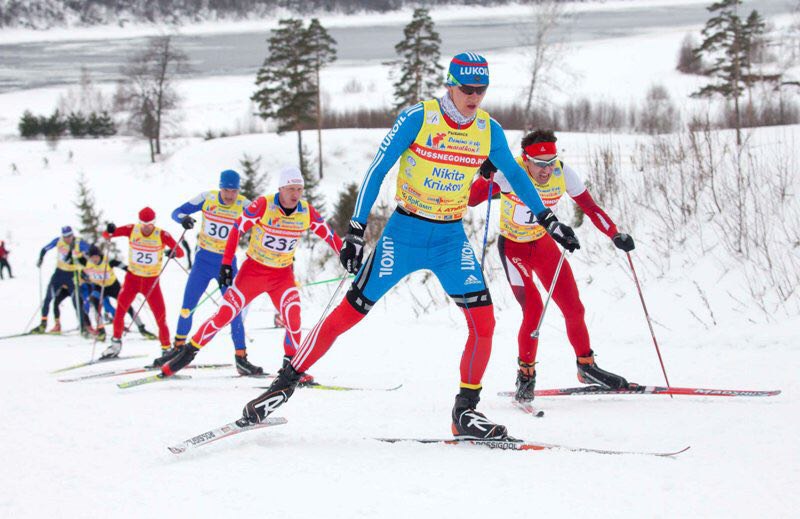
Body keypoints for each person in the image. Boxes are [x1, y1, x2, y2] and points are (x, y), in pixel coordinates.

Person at [237, 53, 579, 440]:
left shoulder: (488, 130)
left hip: (450, 238)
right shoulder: (420, 117)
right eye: (467, 89)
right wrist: (355, 228)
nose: (474, 96)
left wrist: (549, 220)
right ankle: (282, 386)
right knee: (349, 313)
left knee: (484, 321)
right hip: (405, 234)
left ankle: (465, 412)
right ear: (450, 84)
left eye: (481, 89)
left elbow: (516, 176)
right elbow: (378, 167)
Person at [469, 129, 633, 402]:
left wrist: (615, 234)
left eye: (550, 162)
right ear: (525, 159)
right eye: (539, 163)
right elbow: (473, 199)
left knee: (573, 307)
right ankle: (526, 375)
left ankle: (586, 367)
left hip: (543, 246)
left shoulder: (562, 173)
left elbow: (590, 207)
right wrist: (486, 172)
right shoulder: (510, 173)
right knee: (533, 310)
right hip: (513, 249)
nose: (546, 170)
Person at [161, 166, 342, 380]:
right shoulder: (263, 205)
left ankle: (291, 369)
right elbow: (237, 228)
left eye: (299, 189)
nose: (295, 194)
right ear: (281, 188)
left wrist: (346, 253)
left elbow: (329, 234)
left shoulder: (306, 211)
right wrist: (227, 264)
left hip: (281, 277)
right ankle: (187, 352)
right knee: (224, 315)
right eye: (291, 188)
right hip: (252, 273)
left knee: (293, 315)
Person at [159, 169, 256, 373]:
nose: (230, 195)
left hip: (227, 264)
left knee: (233, 311)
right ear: (220, 187)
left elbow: (265, 222)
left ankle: (241, 357)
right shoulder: (207, 198)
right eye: (226, 190)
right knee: (188, 306)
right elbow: (176, 212)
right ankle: (177, 350)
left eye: (234, 191)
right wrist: (184, 220)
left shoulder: (245, 205)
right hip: (203, 262)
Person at [99, 207, 184, 359]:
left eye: (150, 223)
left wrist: (173, 253)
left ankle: (166, 349)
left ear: (154, 222)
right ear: (140, 222)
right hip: (132, 279)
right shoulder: (132, 229)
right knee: (120, 312)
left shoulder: (161, 234)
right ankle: (115, 345)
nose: (146, 227)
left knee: (160, 316)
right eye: (143, 223)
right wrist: (110, 230)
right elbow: (107, 235)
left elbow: (180, 252)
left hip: (151, 282)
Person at [79, 244, 153, 342]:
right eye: (92, 257)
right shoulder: (88, 265)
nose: (94, 259)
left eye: (96, 257)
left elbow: (123, 266)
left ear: (99, 255)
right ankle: (101, 330)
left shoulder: (108, 261)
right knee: (94, 302)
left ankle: (141, 328)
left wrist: (133, 273)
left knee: (127, 306)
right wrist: (85, 278)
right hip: (99, 288)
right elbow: (83, 274)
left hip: (113, 287)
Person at [30, 226, 90, 334]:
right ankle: (43, 324)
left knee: (76, 301)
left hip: (72, 275)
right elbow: (44, 249)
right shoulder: (59, 241)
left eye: (69, 236)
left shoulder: (79, 243)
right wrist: (40, 259)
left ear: (73, 235)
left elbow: (91, 251)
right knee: (48, 298)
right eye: (65, 236)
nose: (68, 239)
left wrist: (83, 263)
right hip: (59, 273)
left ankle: (83, 326)